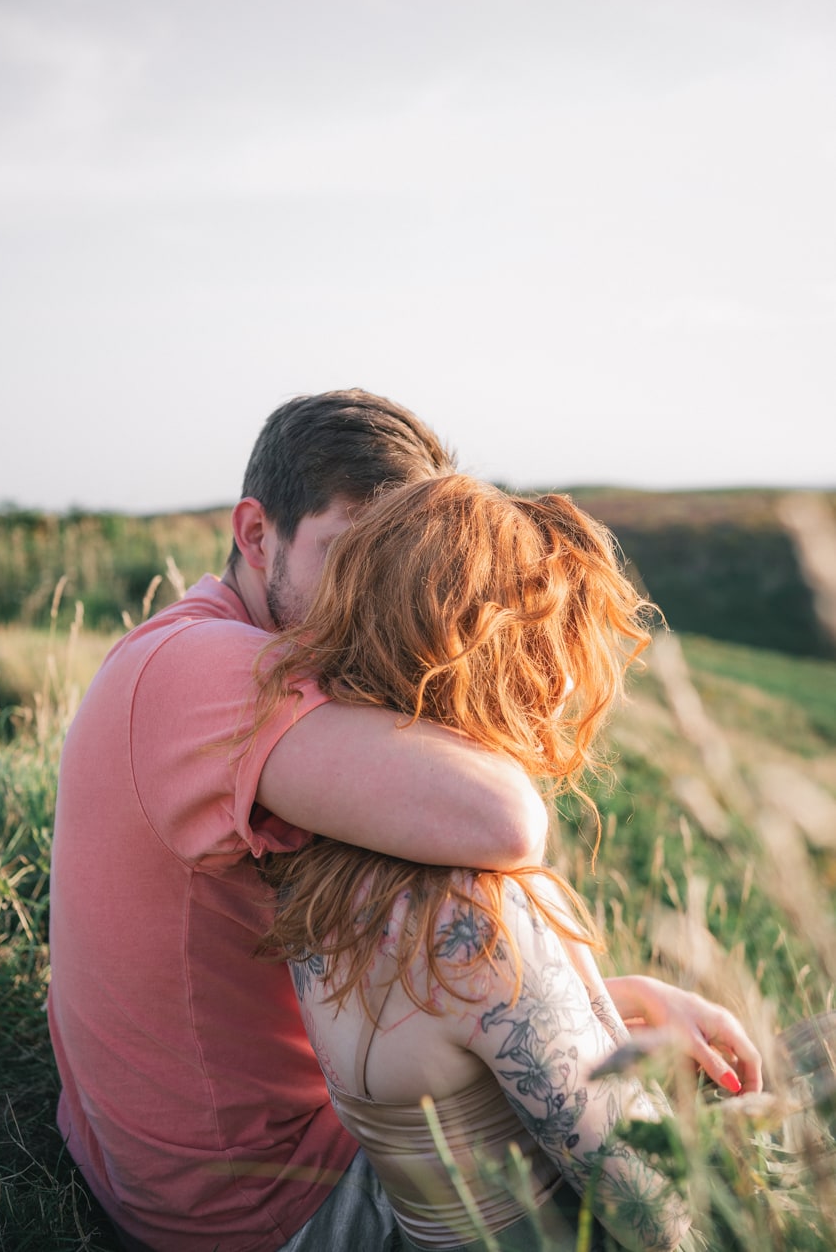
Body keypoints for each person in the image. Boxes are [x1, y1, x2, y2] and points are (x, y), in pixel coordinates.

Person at [47, 390, 759, 1252]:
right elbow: (501, 819)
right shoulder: (206, 667)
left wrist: (609, 1012)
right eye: (348, 556)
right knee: (468, 908)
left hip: (213, 1171)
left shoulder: (206, 660)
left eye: (396, 567)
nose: (371, 597)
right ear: (254, 533)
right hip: (260, 1216)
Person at [255, 475, 701, 1251]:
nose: (567, 684)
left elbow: (464, 1056)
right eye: (554, 643)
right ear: (503, 658)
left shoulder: (316, 861)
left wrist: (629, 1015)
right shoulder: (472, 912)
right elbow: (657, 1214)